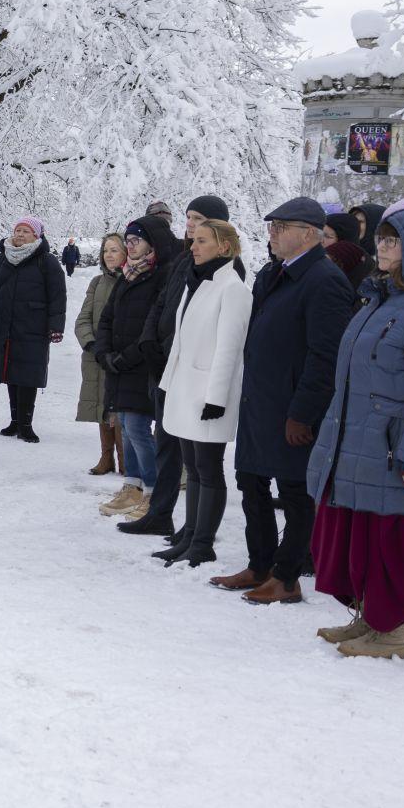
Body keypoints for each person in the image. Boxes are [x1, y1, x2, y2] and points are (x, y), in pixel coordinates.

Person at [308, 194, 404, 659]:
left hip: (399, 448)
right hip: (363, 443)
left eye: (394, 241)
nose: (383, 247)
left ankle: (393, 632)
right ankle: (369, 617)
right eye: (381, 238)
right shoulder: (385, 296)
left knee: (397, 544)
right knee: (362, 538)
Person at [215, 197, 356, 604]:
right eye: (271, 227)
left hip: (292, 409)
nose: (272, 234)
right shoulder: (273, 274)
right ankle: (259, 564)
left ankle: (287, 576)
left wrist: (303, 413)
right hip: (261, 401)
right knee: (251, 483)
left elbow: (326, 356)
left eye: (281, 227)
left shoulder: (325, 280)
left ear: (308, 234)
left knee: (294, 492)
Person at [120, 194, 228, 538]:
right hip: (164, 367)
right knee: (166, 444)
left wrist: (169, 351)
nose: (189, 225)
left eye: (196, 218)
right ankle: (160, 512)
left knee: (194, 456)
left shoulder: (226, 270)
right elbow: (163, 303)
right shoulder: (184, 259)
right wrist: (150, 341)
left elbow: (201, 324)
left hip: (188, 370)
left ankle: (196, 529)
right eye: (188, 218)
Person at [150, 219, 252, 567]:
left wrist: (217, 397)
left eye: (202, 241)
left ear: (224, 247)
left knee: (208, 468)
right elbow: (180, 340)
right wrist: (168, 381)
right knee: (192, 467)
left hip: (207, 392)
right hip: (184, 387)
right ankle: (190, 535)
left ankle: (202, 544)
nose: (193, 246)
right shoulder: (199, 281)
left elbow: (229, 348)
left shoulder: (232, 288)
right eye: (193, 240)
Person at [93, 215, 180, 518]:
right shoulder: (128, 274)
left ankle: (153, 491)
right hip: (118, 365)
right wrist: (104, 353)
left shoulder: (162, 275)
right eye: (127, 241)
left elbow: (153, 326)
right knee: (127, 428)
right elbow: (107, 318)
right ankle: (132, 486)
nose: (129, 246)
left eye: (135, 241)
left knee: (138, 427)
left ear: (151, 243)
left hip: (141, 365)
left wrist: (125, 357)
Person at [0, 215, 66, 442]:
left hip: (33, 326)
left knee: (28, 374)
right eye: (18, 230)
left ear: (36, 236)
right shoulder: (2, 259)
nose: (20, 235)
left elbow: (58, 296)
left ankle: (26, 424)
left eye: (26, 231)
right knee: (10, 373)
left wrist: (55, 326)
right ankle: (14, 421)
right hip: (5, 325)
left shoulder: (46, 261)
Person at [74, 233, 126, 474]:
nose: (109, 255)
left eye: (114, 250)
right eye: (106, 250)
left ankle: (126, 458)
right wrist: (91, 345)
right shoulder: (97, 282)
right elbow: (83, 319)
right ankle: (106, 457)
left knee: (121, 407)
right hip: (96, 356)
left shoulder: (132, 281)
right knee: (101, 405)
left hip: (121, 357)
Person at [322, 209, 372, 289]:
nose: (321, 240)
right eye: (320, 234)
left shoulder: (362, 274)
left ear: (344, 241)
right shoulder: (321, 264)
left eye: (328, 236)